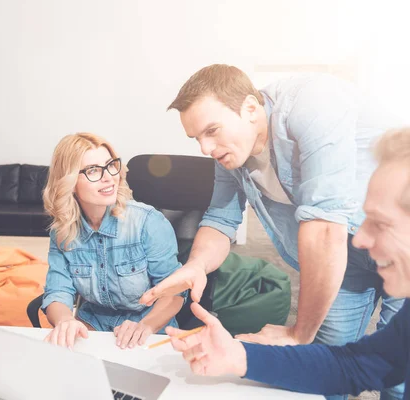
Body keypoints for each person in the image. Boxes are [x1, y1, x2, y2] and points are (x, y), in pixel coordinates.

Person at [139, 64, 403, 399]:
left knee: (396, 372)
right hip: (343, 259)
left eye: (212, 131)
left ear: (250, 108)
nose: (205, 149)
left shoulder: (313, 103)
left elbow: (324, 230)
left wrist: (298, 332)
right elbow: (220, 220)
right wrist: (195, 266)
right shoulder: (231, 156)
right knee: (328, 366)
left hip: (397, 244)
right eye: (197, 139)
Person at [41, 133, 186, 349]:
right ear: (70, 182)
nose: (108, 177)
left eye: (110, 165)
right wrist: (65, 321)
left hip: (147, 332)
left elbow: (175, 292)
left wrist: (145, 326)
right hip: (91, 329)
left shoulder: (148, 222)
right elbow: (57, 291)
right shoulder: (63, 232)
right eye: (92, 170)